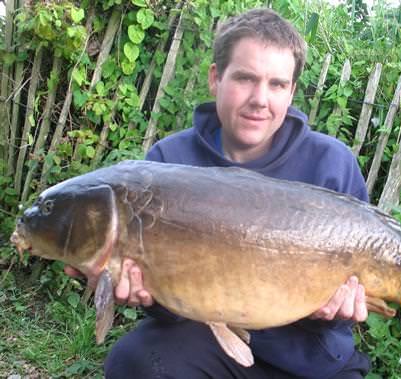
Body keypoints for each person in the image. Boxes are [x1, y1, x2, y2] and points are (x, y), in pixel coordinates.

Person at [67, 8, 371, 378]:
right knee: (134, 360)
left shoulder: (332, 164)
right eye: (245, 78)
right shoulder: (167, 164)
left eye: (276, 84)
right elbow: (170, 310)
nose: (260, 98)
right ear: (216, 78)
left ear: (291, 92)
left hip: (312, 360)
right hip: (207, 348)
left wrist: (335, 310)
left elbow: (342, 315)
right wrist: (147, 293)